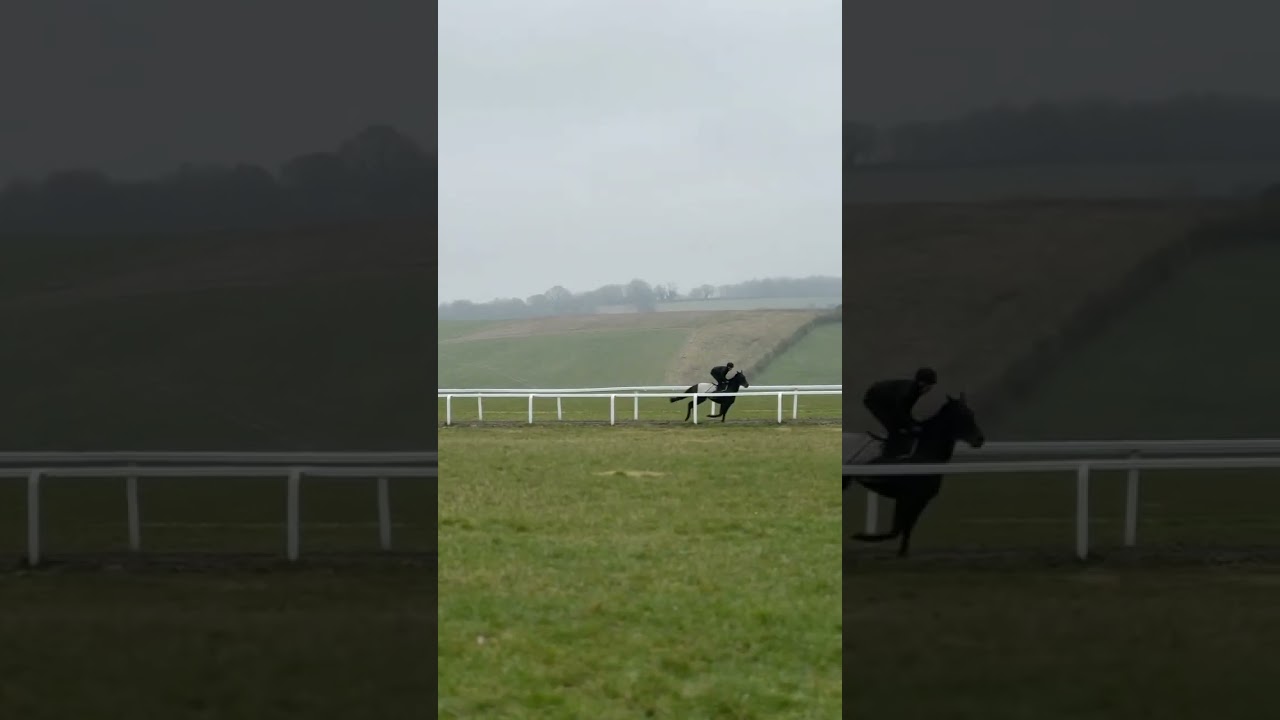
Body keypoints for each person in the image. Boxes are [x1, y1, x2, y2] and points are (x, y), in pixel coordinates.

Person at [862, 367, 938, 459]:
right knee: (894, 426)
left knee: (901, 425)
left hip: (885, 399)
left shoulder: (916, 390)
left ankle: (893, 448)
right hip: (875, 399)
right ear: (922, 383)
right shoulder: (910, 391)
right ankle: (888, 453)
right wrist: (911, 426)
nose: (930, 388)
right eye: (929, 385)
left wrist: (912, 423)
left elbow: (906, 410)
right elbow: (899, 411)